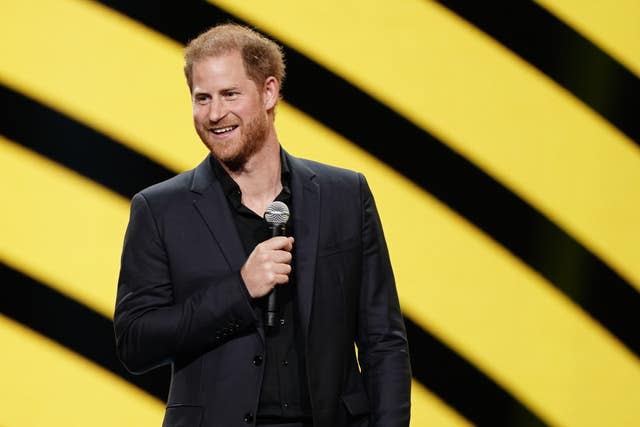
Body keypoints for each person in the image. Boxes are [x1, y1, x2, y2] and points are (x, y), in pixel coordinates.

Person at [114, 23, 411, 427]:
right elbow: (136, 342)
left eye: (230, 94)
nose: (215, 114)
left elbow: (383, 341)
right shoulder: (161, 209)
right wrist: (240, 290)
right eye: (202, 98)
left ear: (269, 92)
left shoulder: (345, 195)